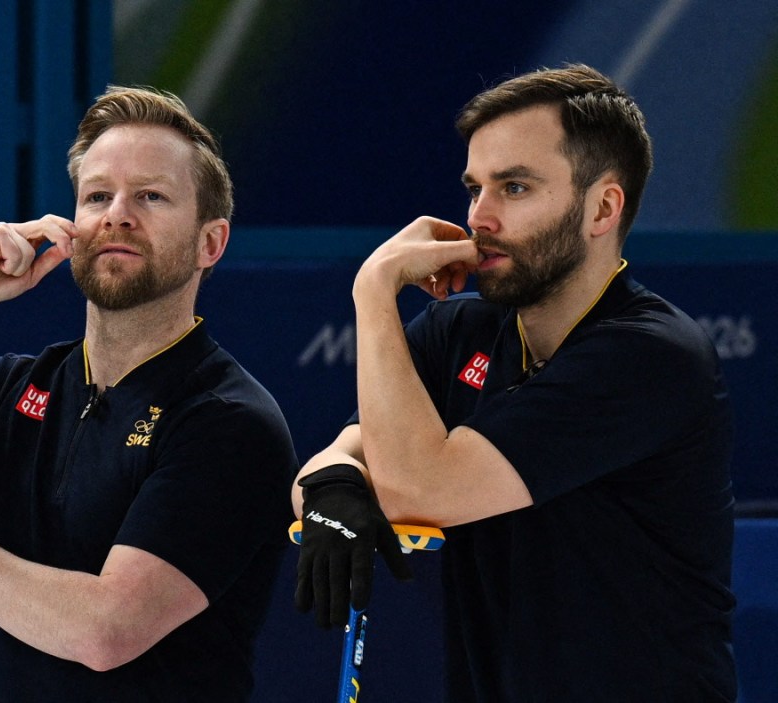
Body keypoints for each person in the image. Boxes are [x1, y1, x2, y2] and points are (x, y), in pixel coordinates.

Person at [0, 85, 299, 702]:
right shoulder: (7, 388)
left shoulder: (229, 420)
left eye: (151, 196)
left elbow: (106, 631)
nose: (117, 215)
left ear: (211, 243)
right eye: (97, 196)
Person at [292, 64, 736, 701]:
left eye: (515, 188)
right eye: (475, 188)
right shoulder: (460, 330)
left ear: (602, 207)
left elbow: (419, 485)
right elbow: (347, 453)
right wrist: (335, 478)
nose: (480, 217)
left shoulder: (651, 356)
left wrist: (373, 291)